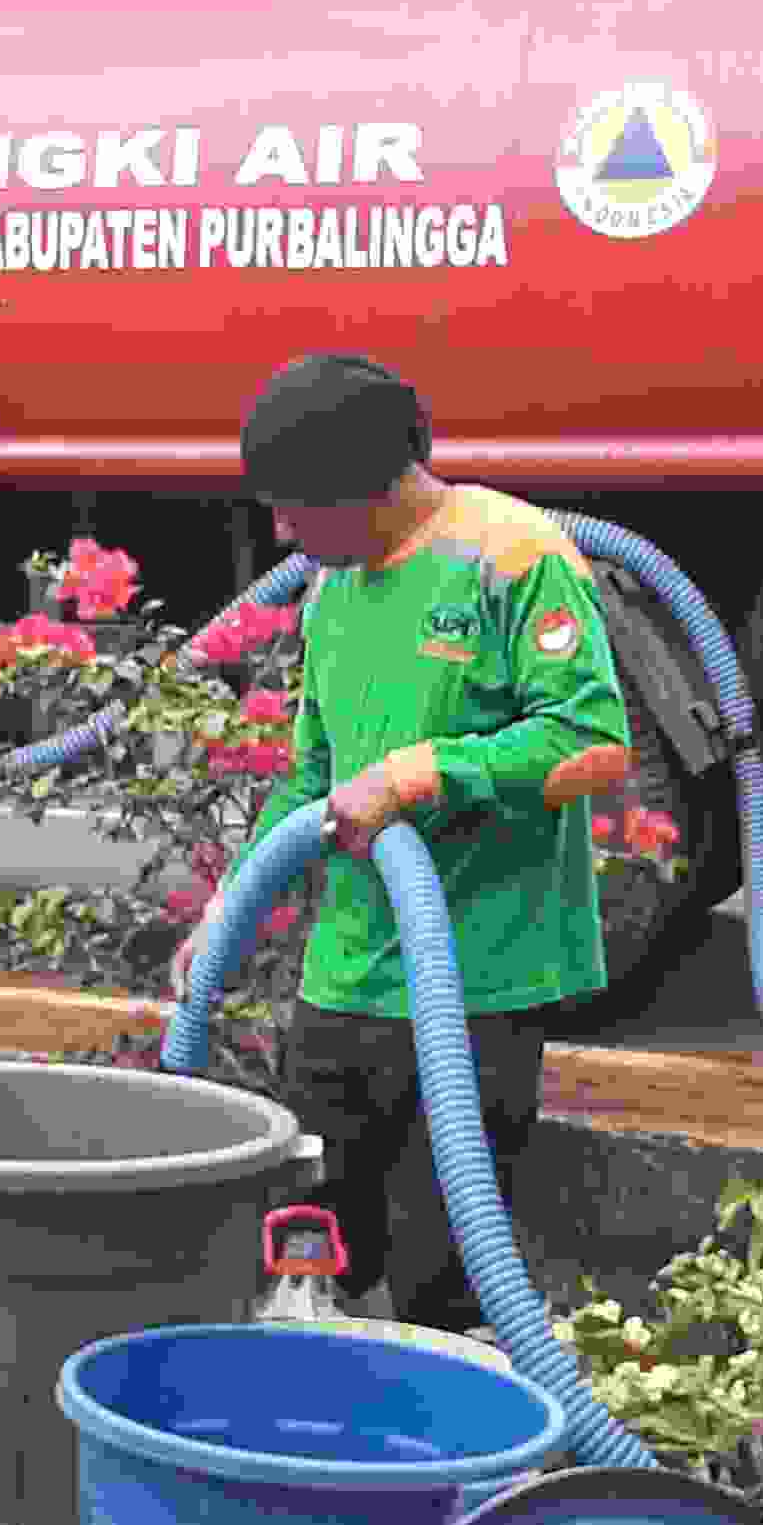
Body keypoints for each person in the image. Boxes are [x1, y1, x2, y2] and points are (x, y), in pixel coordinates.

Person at [177, 352, 636, 1336]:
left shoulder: (514, 555)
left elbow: (594, 747)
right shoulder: (335, 589)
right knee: (308, 1239)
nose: (283, 532)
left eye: (297, 507)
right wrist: (231, 910)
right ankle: (317, 1417)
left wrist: (426, 772)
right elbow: (312, 776)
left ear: (369, 488)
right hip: (343, 981)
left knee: (446, 1269)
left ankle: (441, 1445)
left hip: (477, 984)